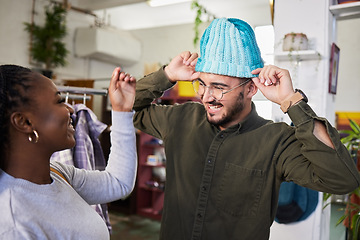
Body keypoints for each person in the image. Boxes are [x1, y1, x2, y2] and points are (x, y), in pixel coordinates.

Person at [133, 18, 360, 240]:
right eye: (201, 84)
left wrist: (292, 101)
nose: (206, 96)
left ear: (251, 88)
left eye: (219, 87)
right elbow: (126, 105)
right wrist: (166, 76)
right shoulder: (180, 118)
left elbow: (342, 180)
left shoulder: (277, 141)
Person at [0, 64, 137, 239]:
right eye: (59, 101)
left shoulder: (57, 174)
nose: (71, 109)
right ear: (24, 122)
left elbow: (118, 183)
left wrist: (122, 111)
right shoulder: (13, 225)